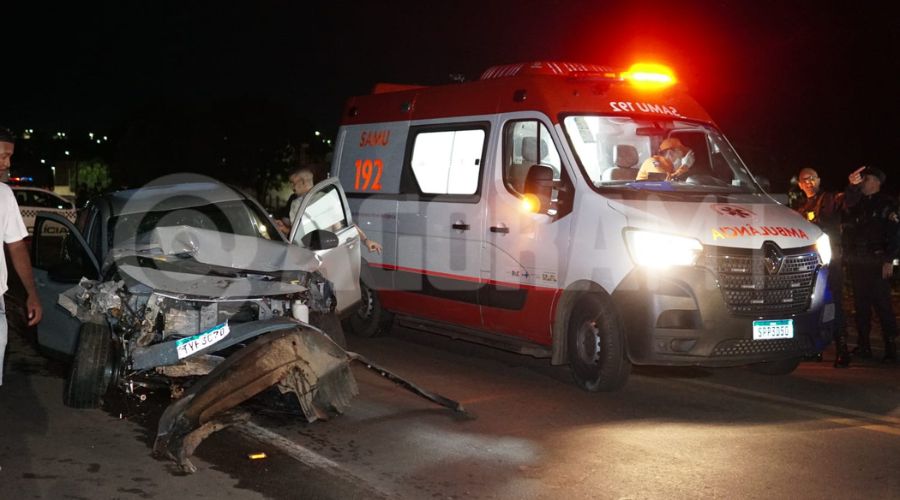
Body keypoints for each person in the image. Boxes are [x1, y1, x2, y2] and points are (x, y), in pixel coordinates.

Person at [794, 166, 864, 367]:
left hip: (830, 262)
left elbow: (849, 200)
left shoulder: (829, 199)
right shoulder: (800, 208)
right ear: (800, 184)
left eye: (812, 178)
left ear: (819, 180)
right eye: (805, 179)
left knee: (834, 303)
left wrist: (853, 186)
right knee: (811, 304)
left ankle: (842, 350)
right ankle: (814, 348)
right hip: (809, 265)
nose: (809, 182)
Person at [842, 166, 899, 363]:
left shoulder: (887, 204)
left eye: (866, 179)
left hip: (877, 261)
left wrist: (889, 259)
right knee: (861, 305)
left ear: (876, 182)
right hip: (859, 261)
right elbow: (847, 204)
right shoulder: (859, 202)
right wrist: (852, 186)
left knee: (883, 305)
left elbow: (895, 233)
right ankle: (864, 346)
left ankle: (891, 349)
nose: (863, 183)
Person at [0, 127, 43, 386]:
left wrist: (31, 293)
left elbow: (16, 247)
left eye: (10, 157)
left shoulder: (4, 195)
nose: (7, 164)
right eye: (3, 156)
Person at [276, 166, 383, 254]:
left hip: (325, 253)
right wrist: (284, 228)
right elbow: (299, 233)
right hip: (306, 253)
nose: (292, 187)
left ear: (303, 182)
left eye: (293, 183)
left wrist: (366, 240)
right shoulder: (297, 203)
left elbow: (345, 224)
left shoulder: (324, 199)